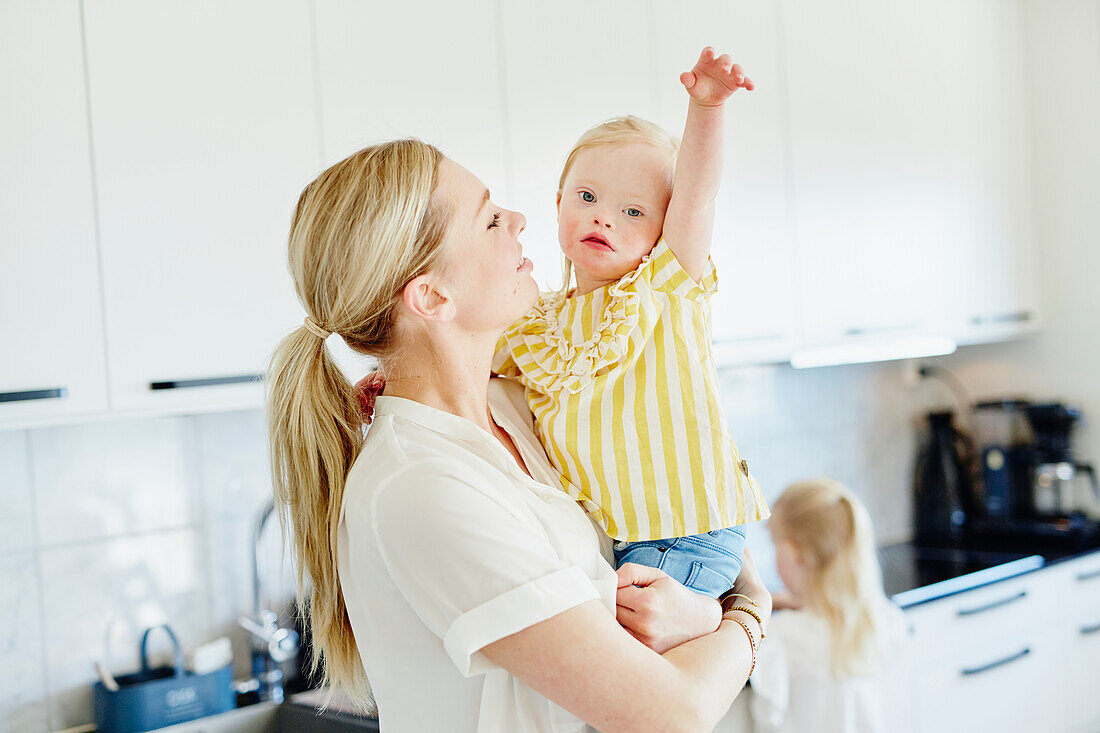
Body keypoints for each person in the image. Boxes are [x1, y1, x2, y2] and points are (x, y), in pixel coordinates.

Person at [265, 138, 771, 733]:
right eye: (489, 220)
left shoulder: (522, 406)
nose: (521, 220)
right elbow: (670, 714)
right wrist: (748, 612)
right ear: (432, 296)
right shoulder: (420, 487)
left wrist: (701, 609)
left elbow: (670, 494)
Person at [492, 47, 769, 599]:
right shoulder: (531, 324)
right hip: (621, 540)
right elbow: (464, 365)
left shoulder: (664, 288)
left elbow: (698, 196)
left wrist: (707, 109)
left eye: (634, 211)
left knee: (633, 672)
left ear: (666, 227)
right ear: (558, 204)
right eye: (588, 197)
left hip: (689, 534)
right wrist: (395, 381)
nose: (603, 217)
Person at [749, 479, 910, 733]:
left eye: (776, 545)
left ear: (796, 554)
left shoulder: (783, 635)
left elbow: (768, 719)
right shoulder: (887, 620)